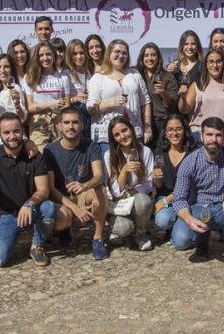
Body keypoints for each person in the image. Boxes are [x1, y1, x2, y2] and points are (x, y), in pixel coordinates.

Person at [0, 113, 55, 267]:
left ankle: (36, 245)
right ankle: (3, 234)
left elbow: (43, 190)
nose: (12, 136)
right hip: (6, 214)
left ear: (22, 131)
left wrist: (29, 204)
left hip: (31, 208)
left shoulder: (34, 155)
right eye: (7, 132)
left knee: (49, 207)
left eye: (16, 131)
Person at [170, 117, 224, 265]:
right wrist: (189, 220)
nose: (213, 140)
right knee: (180, 240)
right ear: (201, 136)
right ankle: (202, 238)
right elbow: (179, 199)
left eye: (218, 135)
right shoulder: (190, 161)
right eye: (209, 134)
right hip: (199, 209)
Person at [44, 106, 110, 261]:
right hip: (61, 197)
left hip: (82, 192)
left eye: (75, 122)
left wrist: (85, 186)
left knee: (99, 191)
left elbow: (99, 176)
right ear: (59, 126)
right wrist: (76, 209)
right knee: (62, 220)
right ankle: (64, 228)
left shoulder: (90, 145)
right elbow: (51, 188)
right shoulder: (50, 150)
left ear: (82, 125)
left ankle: (98, 238)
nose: (71, 126)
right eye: (66, 123)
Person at [87, 39, 152, 156]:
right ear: (109, 53)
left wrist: (147, 128)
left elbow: (145, 102)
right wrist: (111, 103)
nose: (121, 56)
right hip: (107, 137)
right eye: (117, 52)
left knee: (136, 166)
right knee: (111, 167)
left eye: (124, 53)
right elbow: (91, 108)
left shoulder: (135, 74)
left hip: (134, 133)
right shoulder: (98, 78)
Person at [103, 117, 155, 251]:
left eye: (124, 130)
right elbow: (115, 192)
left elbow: (149, 183)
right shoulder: (109, 155)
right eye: (117, 134)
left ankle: (141, 233)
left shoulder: (145, 151)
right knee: (123, 228)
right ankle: (122, 230)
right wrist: (124, 171)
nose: (122, 136)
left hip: (137, 197)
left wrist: (132, 191)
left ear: (131, 129)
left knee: (143, 201)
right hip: (119, 202)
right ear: (113, 138)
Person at [178, 49, 224, 145]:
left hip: (222, 136)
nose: (215, 65)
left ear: (223, 63)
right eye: (211, 62)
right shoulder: (198, 84)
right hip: (198, 136)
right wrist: (183, 98)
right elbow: (184, 110)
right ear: (206, 64)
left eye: (218, 61)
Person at [152, 114, 198, 238]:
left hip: (187, 199)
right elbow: (159, 185)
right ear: (165, 132)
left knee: (180, 237)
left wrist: (165, 201)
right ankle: (176, 225)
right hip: (166, 196)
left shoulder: (193, 153)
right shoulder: (159, 152)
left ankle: (179, 227)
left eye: (179, 129)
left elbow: (191, 186)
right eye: (170, 129)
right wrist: (156, 177)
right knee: (162, 220)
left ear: (185, 130)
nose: (174, 133)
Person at [25, 40, 74, 150]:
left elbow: (67, 106)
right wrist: (50, 104)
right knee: (39, 155)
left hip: (58, 120)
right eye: (41, 55)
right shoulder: (30, 77)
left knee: (59, 154)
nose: (45, 58)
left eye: (48, 54)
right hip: (38, 121)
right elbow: (30, 107)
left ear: (54, 56)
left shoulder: (63, 78)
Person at [137, 42, 179, 147]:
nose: (150, 58)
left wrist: (164, 92)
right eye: (146, 55)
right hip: (141, 124)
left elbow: (173, 104)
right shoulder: (136, 75)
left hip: (162, 123)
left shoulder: (168, 76)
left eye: (153, 55)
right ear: (142, 58)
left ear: (158, 57)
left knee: (161, 154)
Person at [0, 54, 28, 140]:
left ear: (11, 69)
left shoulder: (15, 89)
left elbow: (22, 117)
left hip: (10, 138)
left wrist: (17, 105)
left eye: (6, 67)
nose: (2, 71)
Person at [65, 38, 92, 139]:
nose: (79, 57)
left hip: (88, 112)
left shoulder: (87, 71)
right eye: (75, 54)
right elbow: (59, 99)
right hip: (74, 112)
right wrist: (74, 99)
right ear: (69, 56)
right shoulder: (66, 73)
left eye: (81, 53)